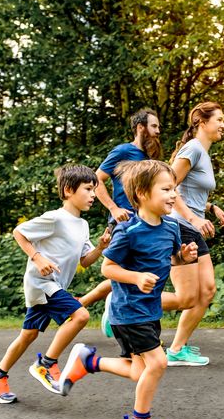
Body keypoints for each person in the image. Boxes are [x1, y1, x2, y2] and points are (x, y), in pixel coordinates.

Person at [57, 160, 198, 419]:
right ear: (143, 194)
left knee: (138, 371)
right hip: (128, 311)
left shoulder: (171, 227)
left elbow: (171, 259)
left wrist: (184, 256)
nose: (173, 195)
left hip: (149, 311)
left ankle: (89, 361)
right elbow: (107, 268)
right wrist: (135, 277)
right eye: (166, 189)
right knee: (158, 362)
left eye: (175, 189)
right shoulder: (128, 231)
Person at [0, 165, 111, 404]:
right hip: (42, 283)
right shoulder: (55, 218)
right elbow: (19, 232)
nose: (93, 195)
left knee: (28, 335)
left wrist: (101, 248)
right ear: (70, 190)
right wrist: (37, 257)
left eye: (94, 190)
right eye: (89, 189)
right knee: (80, 315)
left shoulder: (82, 225)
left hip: (53, 285)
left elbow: (85, 260)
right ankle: (46, 364)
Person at [81, 109, 194, 334]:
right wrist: (114, 208)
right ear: (140, 127)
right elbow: (96, 179)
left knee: (141, 271)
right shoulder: (124, 151)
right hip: (127, 222)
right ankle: (101, 311)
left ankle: (122, 320)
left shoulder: (149, 161)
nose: (158, 131)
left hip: (149, 222)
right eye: (154, 126)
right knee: (120, 270)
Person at [165, 101, 224, 367]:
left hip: (192, 226)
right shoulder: (192, 148)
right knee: (187, 296)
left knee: (207, 291)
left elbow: (190, 193)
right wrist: (192, 217)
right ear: (202, 123)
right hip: (180, 226)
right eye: (220, 120)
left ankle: (177, 349)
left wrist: (210, 207)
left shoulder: (203, 152)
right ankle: (122, 304)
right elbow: (168, 187)